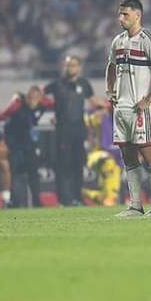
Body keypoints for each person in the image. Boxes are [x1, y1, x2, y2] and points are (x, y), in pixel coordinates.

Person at [107, 0, 151, 217]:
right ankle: (135, 205)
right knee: (128, 156)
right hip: (121, 108)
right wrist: (109, 90)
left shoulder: (147, 40)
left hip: (141, 109)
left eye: (125, 14)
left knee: (149, 155)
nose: (120, 18)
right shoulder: (118, 41)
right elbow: (111, 66)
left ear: (137, 15)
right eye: (120, 13)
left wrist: (148, 100)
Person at [44, 55, 99, 206]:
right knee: (64, 165)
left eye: (73, 65)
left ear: (79, 67)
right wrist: (51, 110)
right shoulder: (57, 84)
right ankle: (64, 199)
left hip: (79, 129)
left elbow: (94, 102)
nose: (70, 68)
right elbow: (41, 96)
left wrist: (109, 104)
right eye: (68, 65)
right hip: (63, 130)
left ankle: (77, 197)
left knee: (78, 164)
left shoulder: (84, 84)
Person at [0, 85, 53, 207]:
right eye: (31, 97)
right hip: (14, 142)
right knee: (16, 173)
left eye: (36, 97)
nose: (33, 100)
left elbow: (55, 104)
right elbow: (0, 116)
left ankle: (37, 201)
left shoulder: (43, 103)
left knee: (33, 173)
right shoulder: (17, 106)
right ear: (27, 97)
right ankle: (15, 202)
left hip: (27, 142)